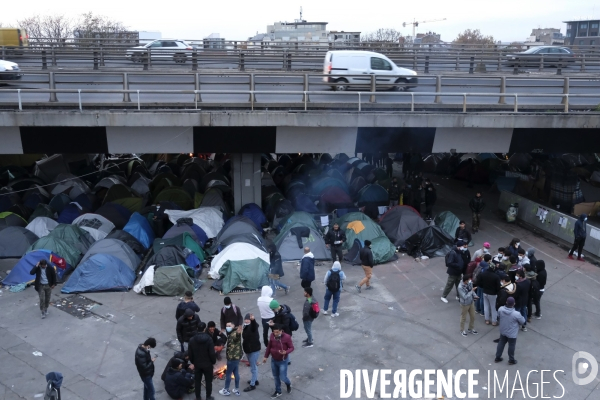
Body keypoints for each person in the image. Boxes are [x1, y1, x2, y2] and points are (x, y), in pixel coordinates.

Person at [263, 325, 294, 398]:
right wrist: (265, 356)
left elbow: (292, 348)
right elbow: (269, 346)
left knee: (283, 377)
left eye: (277, 332)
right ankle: (278, 391)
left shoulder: (287, 337)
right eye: (274, 332)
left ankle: (288, 383)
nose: (275, 334)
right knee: (276, 376)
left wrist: (286, 352)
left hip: (282, 361)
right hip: (274, 360)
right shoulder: (272, 336)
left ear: (281, 331)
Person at [188, 322, 216, 400]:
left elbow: (190, 353)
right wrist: (213, 362)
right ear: (204, 329)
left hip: (197, 363)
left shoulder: (192, 340)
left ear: (197, 329)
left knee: (197, 381)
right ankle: (208, 396)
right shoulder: (209, 339)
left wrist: (193, 361)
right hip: (207, 364)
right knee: (208, 381)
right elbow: (212, 353)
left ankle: (198, 397)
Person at [495, 297, 526, 365]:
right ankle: (511, 360)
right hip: (512, 333)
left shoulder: (500, 309)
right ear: (514, 304)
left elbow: (498, 316)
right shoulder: (516, 314)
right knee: (511, 345)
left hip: (503, 330)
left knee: (501, 343)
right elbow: (523, 321)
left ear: (506, 302)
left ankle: (497, 357)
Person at [218, 323, 242, 396]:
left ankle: (226, 389)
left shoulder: (234, 333)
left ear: (234, 326)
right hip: (236, 357)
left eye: (229, 326)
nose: (228, 327)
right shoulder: (232, 333)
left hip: (232, 358)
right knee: (236, 373)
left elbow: (236, 337)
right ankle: (236, 389)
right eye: (227, 326)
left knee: (228, 373)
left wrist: (238, 333)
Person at [477, 261, 501, 326]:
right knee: (493, 308)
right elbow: (498, 287)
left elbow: (478, 282)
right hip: (493, 293)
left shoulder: (483, 274)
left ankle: (487, 320)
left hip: (485, 292)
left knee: (486, 306)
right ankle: (494, 321)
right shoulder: (496, 276)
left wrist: (483, 286)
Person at [242, 313, 261, 392]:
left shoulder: (253, 326)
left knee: (253, 368)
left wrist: (253, 320)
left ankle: (252, 385)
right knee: (253, 366)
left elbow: (254, 325)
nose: (246, 320)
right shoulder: (245, 327)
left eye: (248, 319)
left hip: (253, 350)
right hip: (249, 350)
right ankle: (255, 380)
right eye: (245, 319)